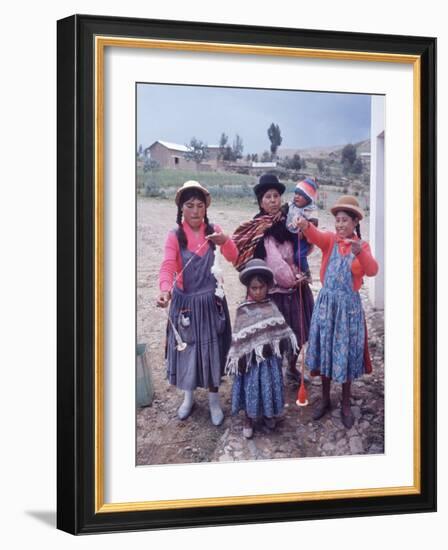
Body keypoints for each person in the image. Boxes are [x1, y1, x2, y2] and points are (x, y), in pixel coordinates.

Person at [157, 180, 238, 425]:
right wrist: (164, 289)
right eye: (189, 205)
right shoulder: (174, 236)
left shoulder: (214, 231)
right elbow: (168, 265)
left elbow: (234, 257)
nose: (195, 211)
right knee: (188, 350)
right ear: (181, 208)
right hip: (185, 304)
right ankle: (188, 398)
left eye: (200, 206)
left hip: (211, 302)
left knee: (212, 350)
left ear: (206, 208)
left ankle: (214, 401)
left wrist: (225, 240)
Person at [296, 195, 379, 429]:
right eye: (337, 220)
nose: (340, 225)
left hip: (348, 310)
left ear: (355, 223)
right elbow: (316, 236)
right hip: (327, 306)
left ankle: (344, 402)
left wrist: (360, 252)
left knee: (345, 355)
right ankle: (325, 400)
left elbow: (372, 270)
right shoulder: (330, 241)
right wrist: (305, 225)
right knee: (325, 351)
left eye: (344, 221)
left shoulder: (361, 246)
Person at [233, 173, 314, 384]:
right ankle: (275, 373)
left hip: (297, 287)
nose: (273, 200)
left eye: (276, 196)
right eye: (268, 196)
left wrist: (301, 272)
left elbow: (301, 247)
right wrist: (291, 278)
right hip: (275, 290)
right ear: (260, 201)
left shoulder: (289, 220)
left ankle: (292, 368)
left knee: (298, 331)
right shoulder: (259, 227)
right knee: (276, 335)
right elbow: (274, 260)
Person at [226, 259, 298, 439]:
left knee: (268, 385)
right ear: (248, 289)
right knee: (251, 387)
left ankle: (268, 414)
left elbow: (280, 331)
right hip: (251, 365)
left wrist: (285, 341)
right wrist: (241, 356)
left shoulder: (271, 307)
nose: (258, 292)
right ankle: (248, 418)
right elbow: (239, 339)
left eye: (261, 287)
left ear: (267, 287)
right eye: (253, 288)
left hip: (269, 363)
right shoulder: (243, 310)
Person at [285, 177, 319, 280]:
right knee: (289, 255)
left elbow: (314, 224)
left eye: (301, 195)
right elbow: (283, 210)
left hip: (302, 238)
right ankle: (296, 272)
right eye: (296, 194)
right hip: (291, 235)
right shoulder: (291, 205)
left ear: (308, 198)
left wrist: (305, 230)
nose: (297, 197)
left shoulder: (310, 210)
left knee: (299, 256)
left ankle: (306, 273)